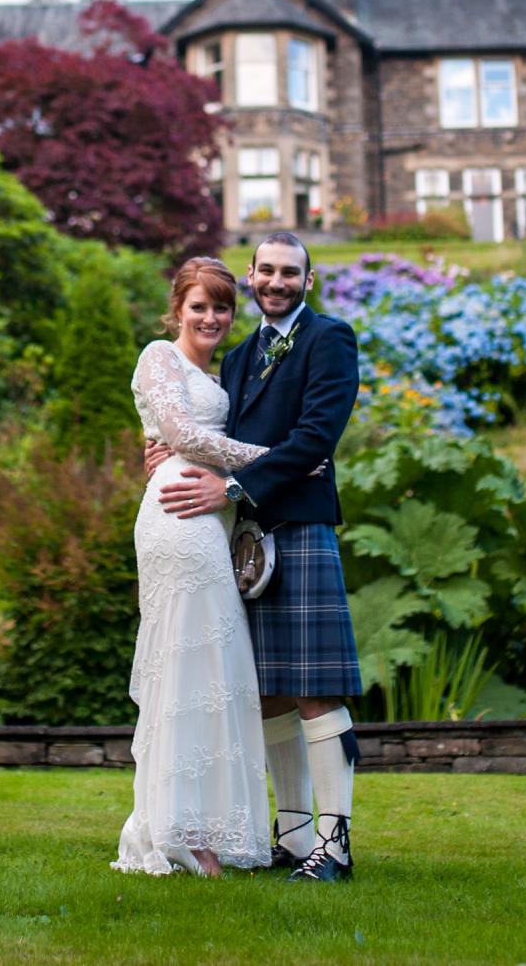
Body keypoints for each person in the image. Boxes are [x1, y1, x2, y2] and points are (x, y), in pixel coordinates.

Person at [155, 232, 364, 883]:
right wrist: (165, 449)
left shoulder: (330, 338)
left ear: (309, 277)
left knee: (315, 690)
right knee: (269, 692)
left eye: (289, 272)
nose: (276, 281)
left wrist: (237, 484)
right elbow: (217, 437)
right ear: (250, 275)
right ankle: (295, 837)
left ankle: (336, 845)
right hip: (248, 543)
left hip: (299, 528)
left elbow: (315, 437)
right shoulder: (240, 355)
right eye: (266, 270)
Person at [112, 256, 275, 876]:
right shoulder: (159, 356)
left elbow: (189, 437)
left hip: (214, 516)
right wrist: (279, 459)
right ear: (176, 310)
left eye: (222, 307)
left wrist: (241, 466)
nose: (211, 317)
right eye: (199, 306)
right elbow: (184, 433)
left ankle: (207, 826)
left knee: (215, 668)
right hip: (177, 518)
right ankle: (179, 834)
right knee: (186, 664)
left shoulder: (228, 371)